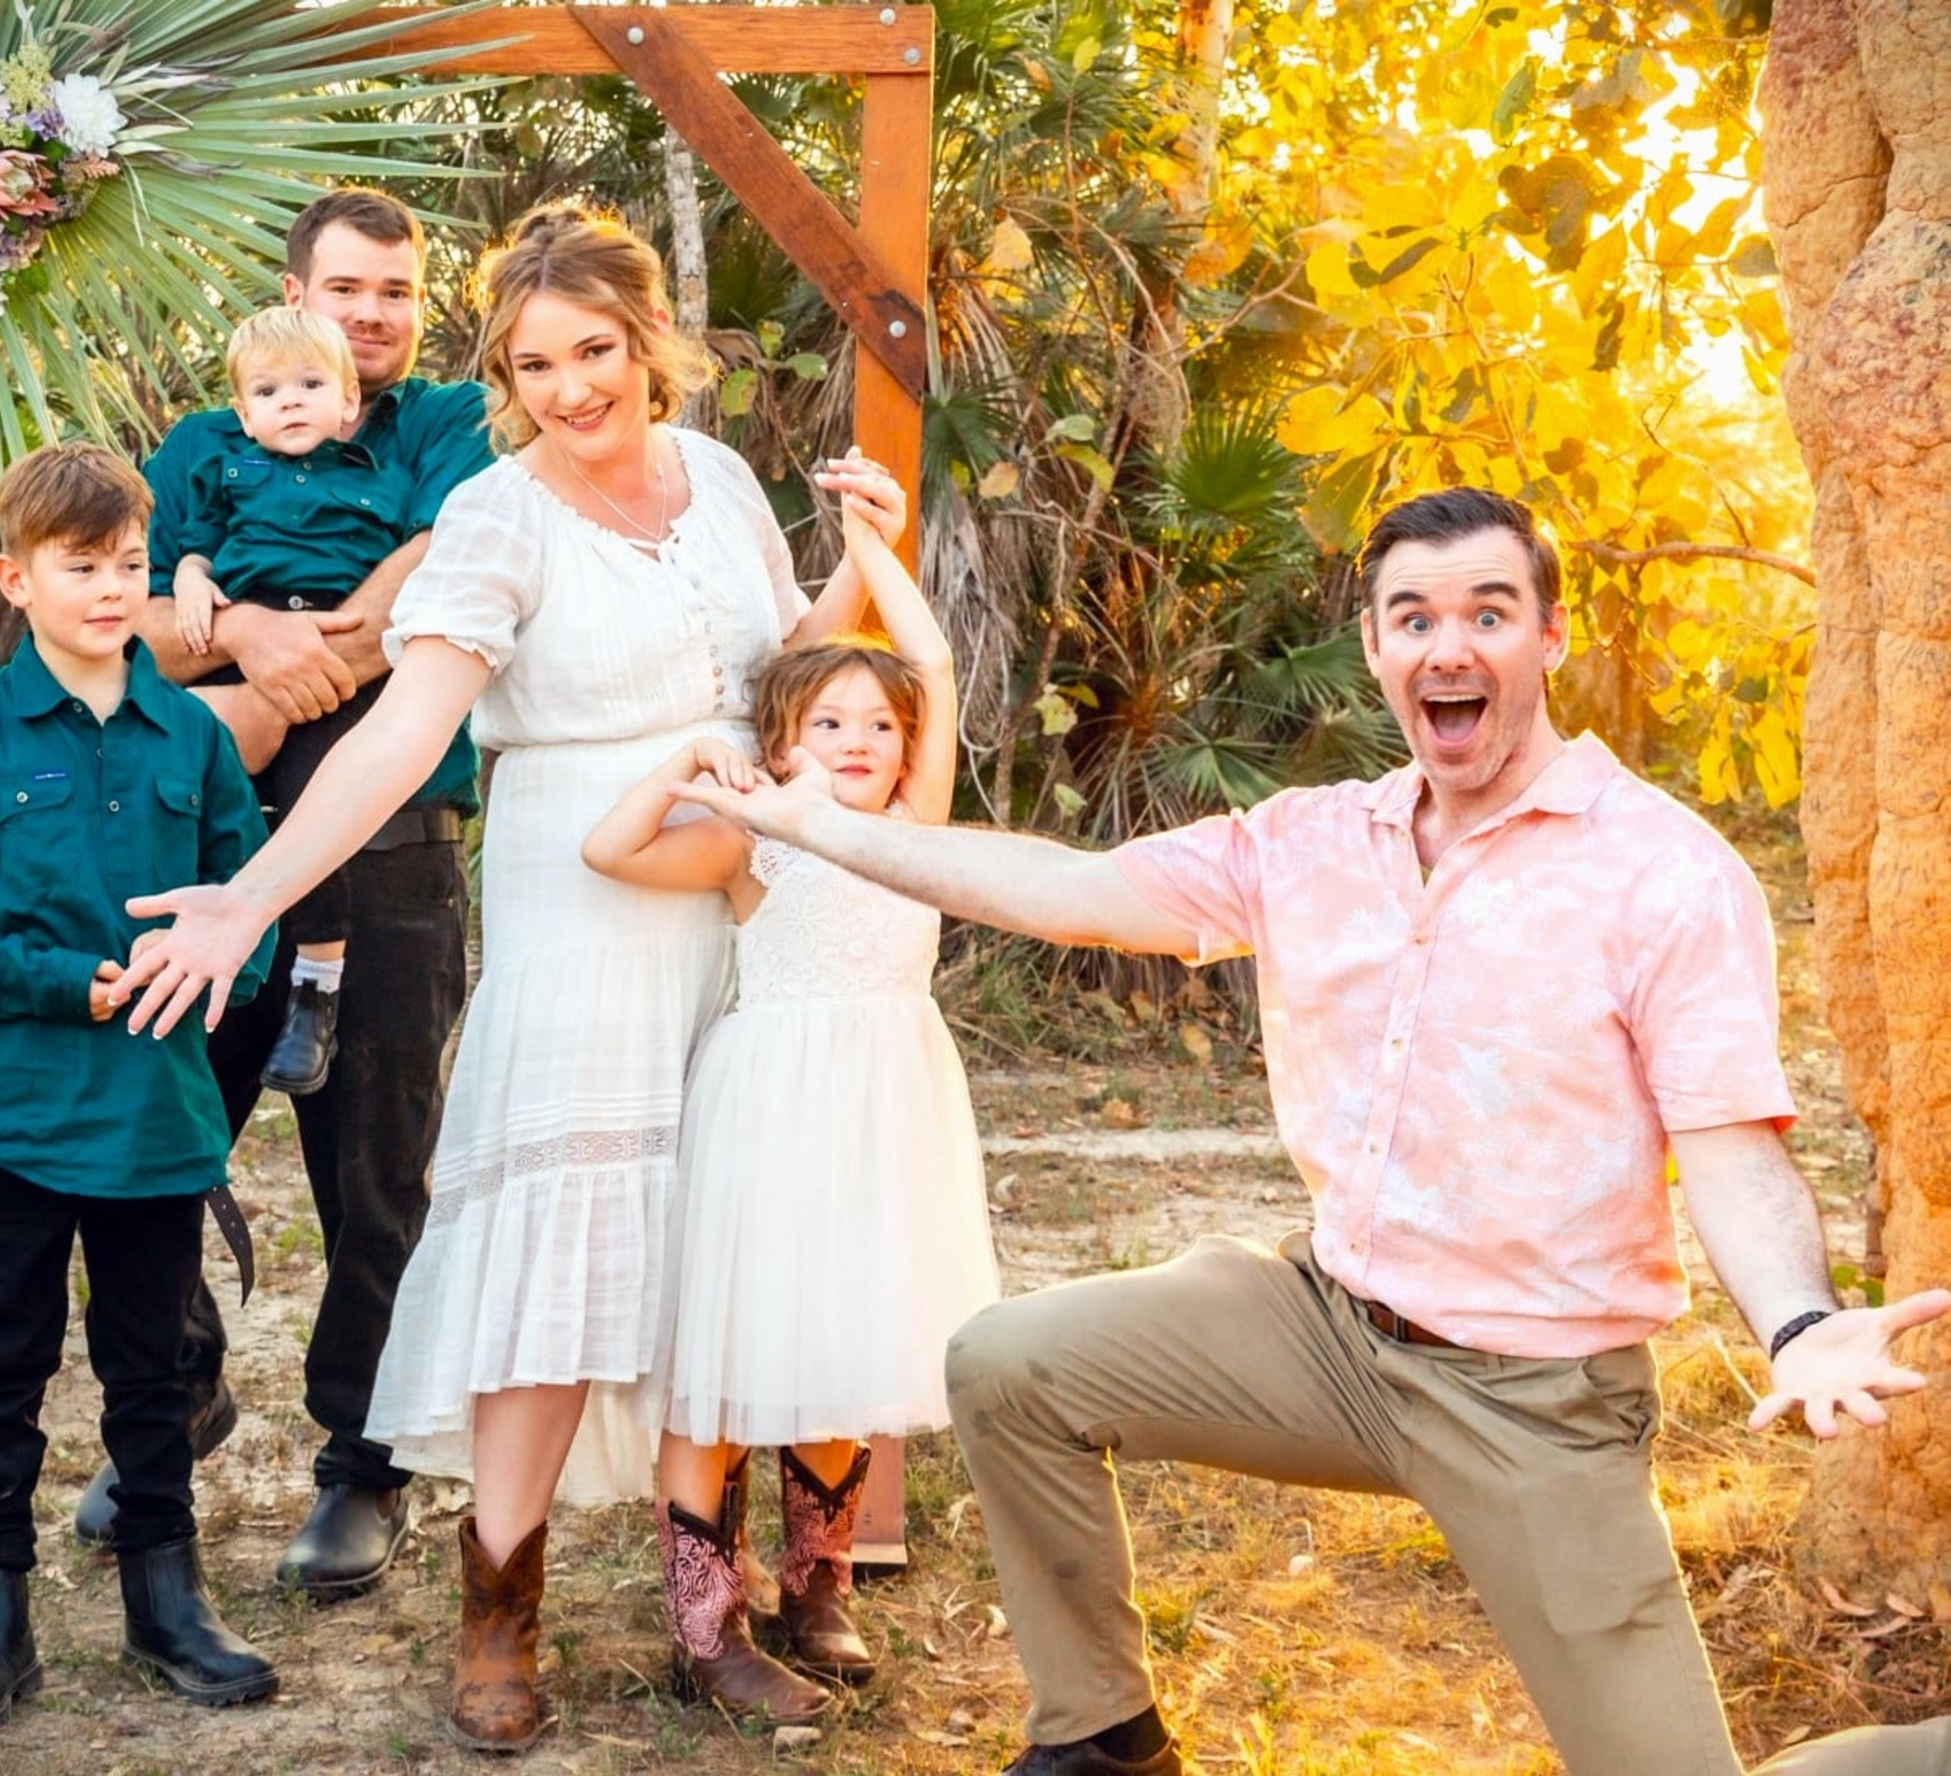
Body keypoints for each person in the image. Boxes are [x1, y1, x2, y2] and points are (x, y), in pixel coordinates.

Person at [657, 486, 1951, 1776]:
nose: (1449, 644)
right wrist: (826, 829)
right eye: (1413, 616)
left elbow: (1727, 1137)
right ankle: (1102, 1741)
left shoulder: (1665, 874)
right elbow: (1072, 889)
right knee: (1013, 1363)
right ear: (1381, 649)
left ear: (1550, 637)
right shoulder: (1315, 842)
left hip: (1533, 1400)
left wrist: (1795, 1316)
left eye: (1488, 611)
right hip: (1330, 1330)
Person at [104, 205, 907, 1752]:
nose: (567, 389)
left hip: (740, 896)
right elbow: (405, 730)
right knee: (558, 1265)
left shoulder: (725, 482)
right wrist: (256, 892)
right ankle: (499, 1620)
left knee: (734, 1243)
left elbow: (776, 673)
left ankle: (719, 1608)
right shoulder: (493, 514)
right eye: (533, 363)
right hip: (584, 906)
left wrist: (868, 564)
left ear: (651, 341)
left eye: (593, 352)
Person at [71, 188, 494, 1600]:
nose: (372, 314)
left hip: (386, 856)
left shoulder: (441, 427)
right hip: (191, 860)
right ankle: (171, 1403)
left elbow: (440, 582)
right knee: (148, 1147)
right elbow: (116, 621)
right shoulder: (202, 448)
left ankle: (363, 1462)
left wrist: (283, 662)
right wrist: (239, 628)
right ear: (293, 294)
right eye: (346, 289)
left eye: (396, 289)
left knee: (373, 1173)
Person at [582, 489, 998, 1718]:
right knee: (734, 1344)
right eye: (829, 720)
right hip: (768, 1106)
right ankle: (704, 1625)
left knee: (849, 1325)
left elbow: (925, 654)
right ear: (782, 740)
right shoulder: (753, 838)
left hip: (886, 1102)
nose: (861, 739)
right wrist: (678, 767)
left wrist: (872, 542)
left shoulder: (910, 832)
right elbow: (610, 852)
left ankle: (818, 1585)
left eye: (880, 725)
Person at [0, 444, 278, 1733]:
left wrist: (201, 969)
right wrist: (51, 981)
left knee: (152, 1367)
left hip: (155, 1119)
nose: (107, 589)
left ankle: (165, 1597)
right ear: (16, 578)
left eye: (129, 565)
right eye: (79, 567)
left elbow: (249, 909)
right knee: (0, 1362)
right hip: (16, 1112)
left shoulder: (191, 735)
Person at [171, 304, 423, 1097]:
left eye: (311, 384)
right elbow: (197, 548)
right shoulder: (229, 470)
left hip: (340, 659)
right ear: (242, 414)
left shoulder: (383, 476)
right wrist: (191, 581)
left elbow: (410, 572)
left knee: (320, 800)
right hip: (248, 638)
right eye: (269, 391)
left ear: (349, 401)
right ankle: (183, 958)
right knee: (206, 784)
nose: (291, 401)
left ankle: (317, 981)